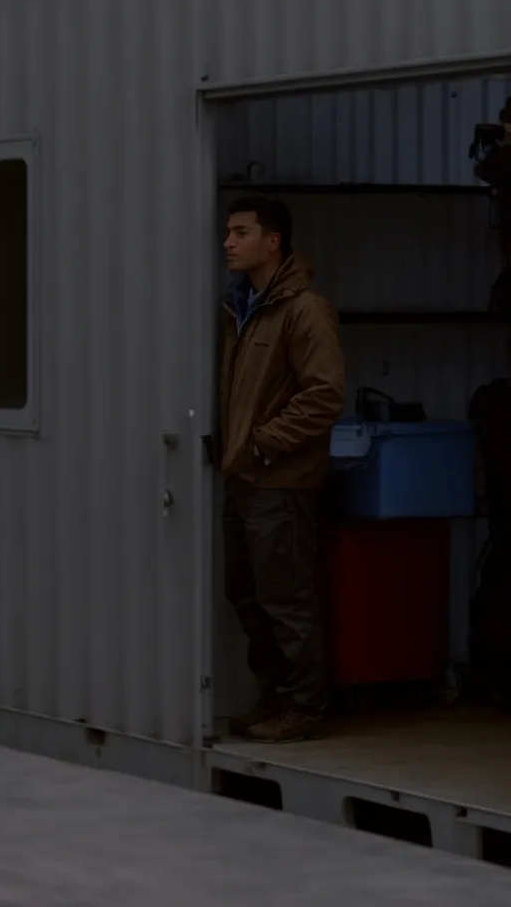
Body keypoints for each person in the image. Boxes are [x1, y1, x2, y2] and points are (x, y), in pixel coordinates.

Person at [216, 195, 347, 744]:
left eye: (240, 232)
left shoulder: (303, 309)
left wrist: (264, 445)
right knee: (246, 593)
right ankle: (275, 698)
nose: (228, 242)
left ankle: (304, 706)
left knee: (286, 598)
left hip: (280, 482)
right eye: (228, 232)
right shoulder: (242, 307)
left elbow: (325, 395)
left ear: (273, 242)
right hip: (245, 479)